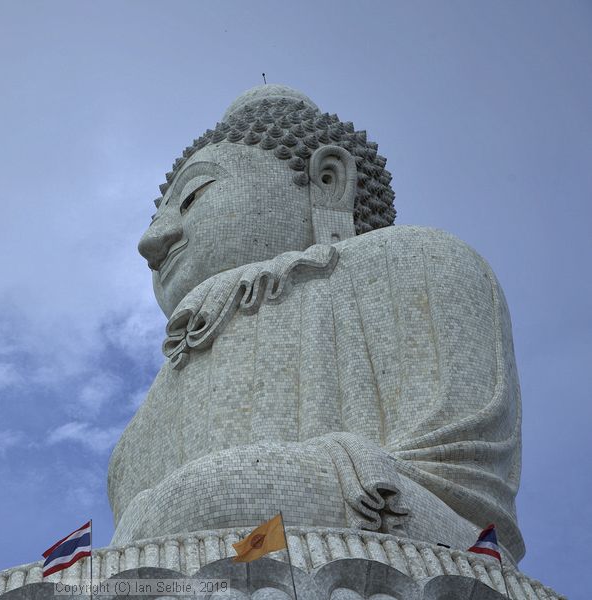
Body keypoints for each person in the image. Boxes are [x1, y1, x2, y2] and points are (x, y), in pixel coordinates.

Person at [108, 85, 524, 563]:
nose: (152, 241)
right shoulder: (133, 440)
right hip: (198, 565)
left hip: (388, 540)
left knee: (196, 500)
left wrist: (308, 480)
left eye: (193, 197)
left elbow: (463, 494)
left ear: (328, 181)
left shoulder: (416, 261)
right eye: (156, 218)